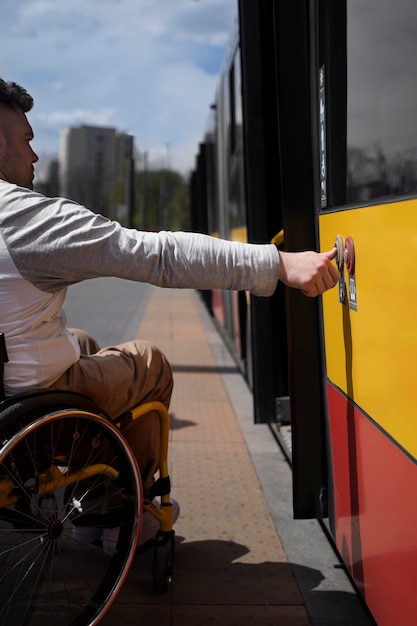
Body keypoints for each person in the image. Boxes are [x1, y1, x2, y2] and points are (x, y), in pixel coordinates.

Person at [0, 79, 339, 509]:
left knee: (81, 341)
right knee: (150, 362)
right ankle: (120, 510)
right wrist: (279, 263)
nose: (33, 155)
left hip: (7, 390)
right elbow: (158, 255)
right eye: (27, 141)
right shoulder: (26, 220)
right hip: (27, 414)